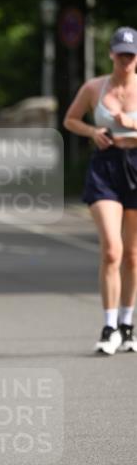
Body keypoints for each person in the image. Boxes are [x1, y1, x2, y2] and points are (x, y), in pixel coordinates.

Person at [63, 25, 137, 354]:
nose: (125, 61)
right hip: (105, 167)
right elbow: (70, 120)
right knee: (112, 250)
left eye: (131, 55)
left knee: (133, 257)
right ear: (111, 54)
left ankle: (127, 323)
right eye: (121, 54)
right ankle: (109, 327)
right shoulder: (95, 87)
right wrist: (93, 131)